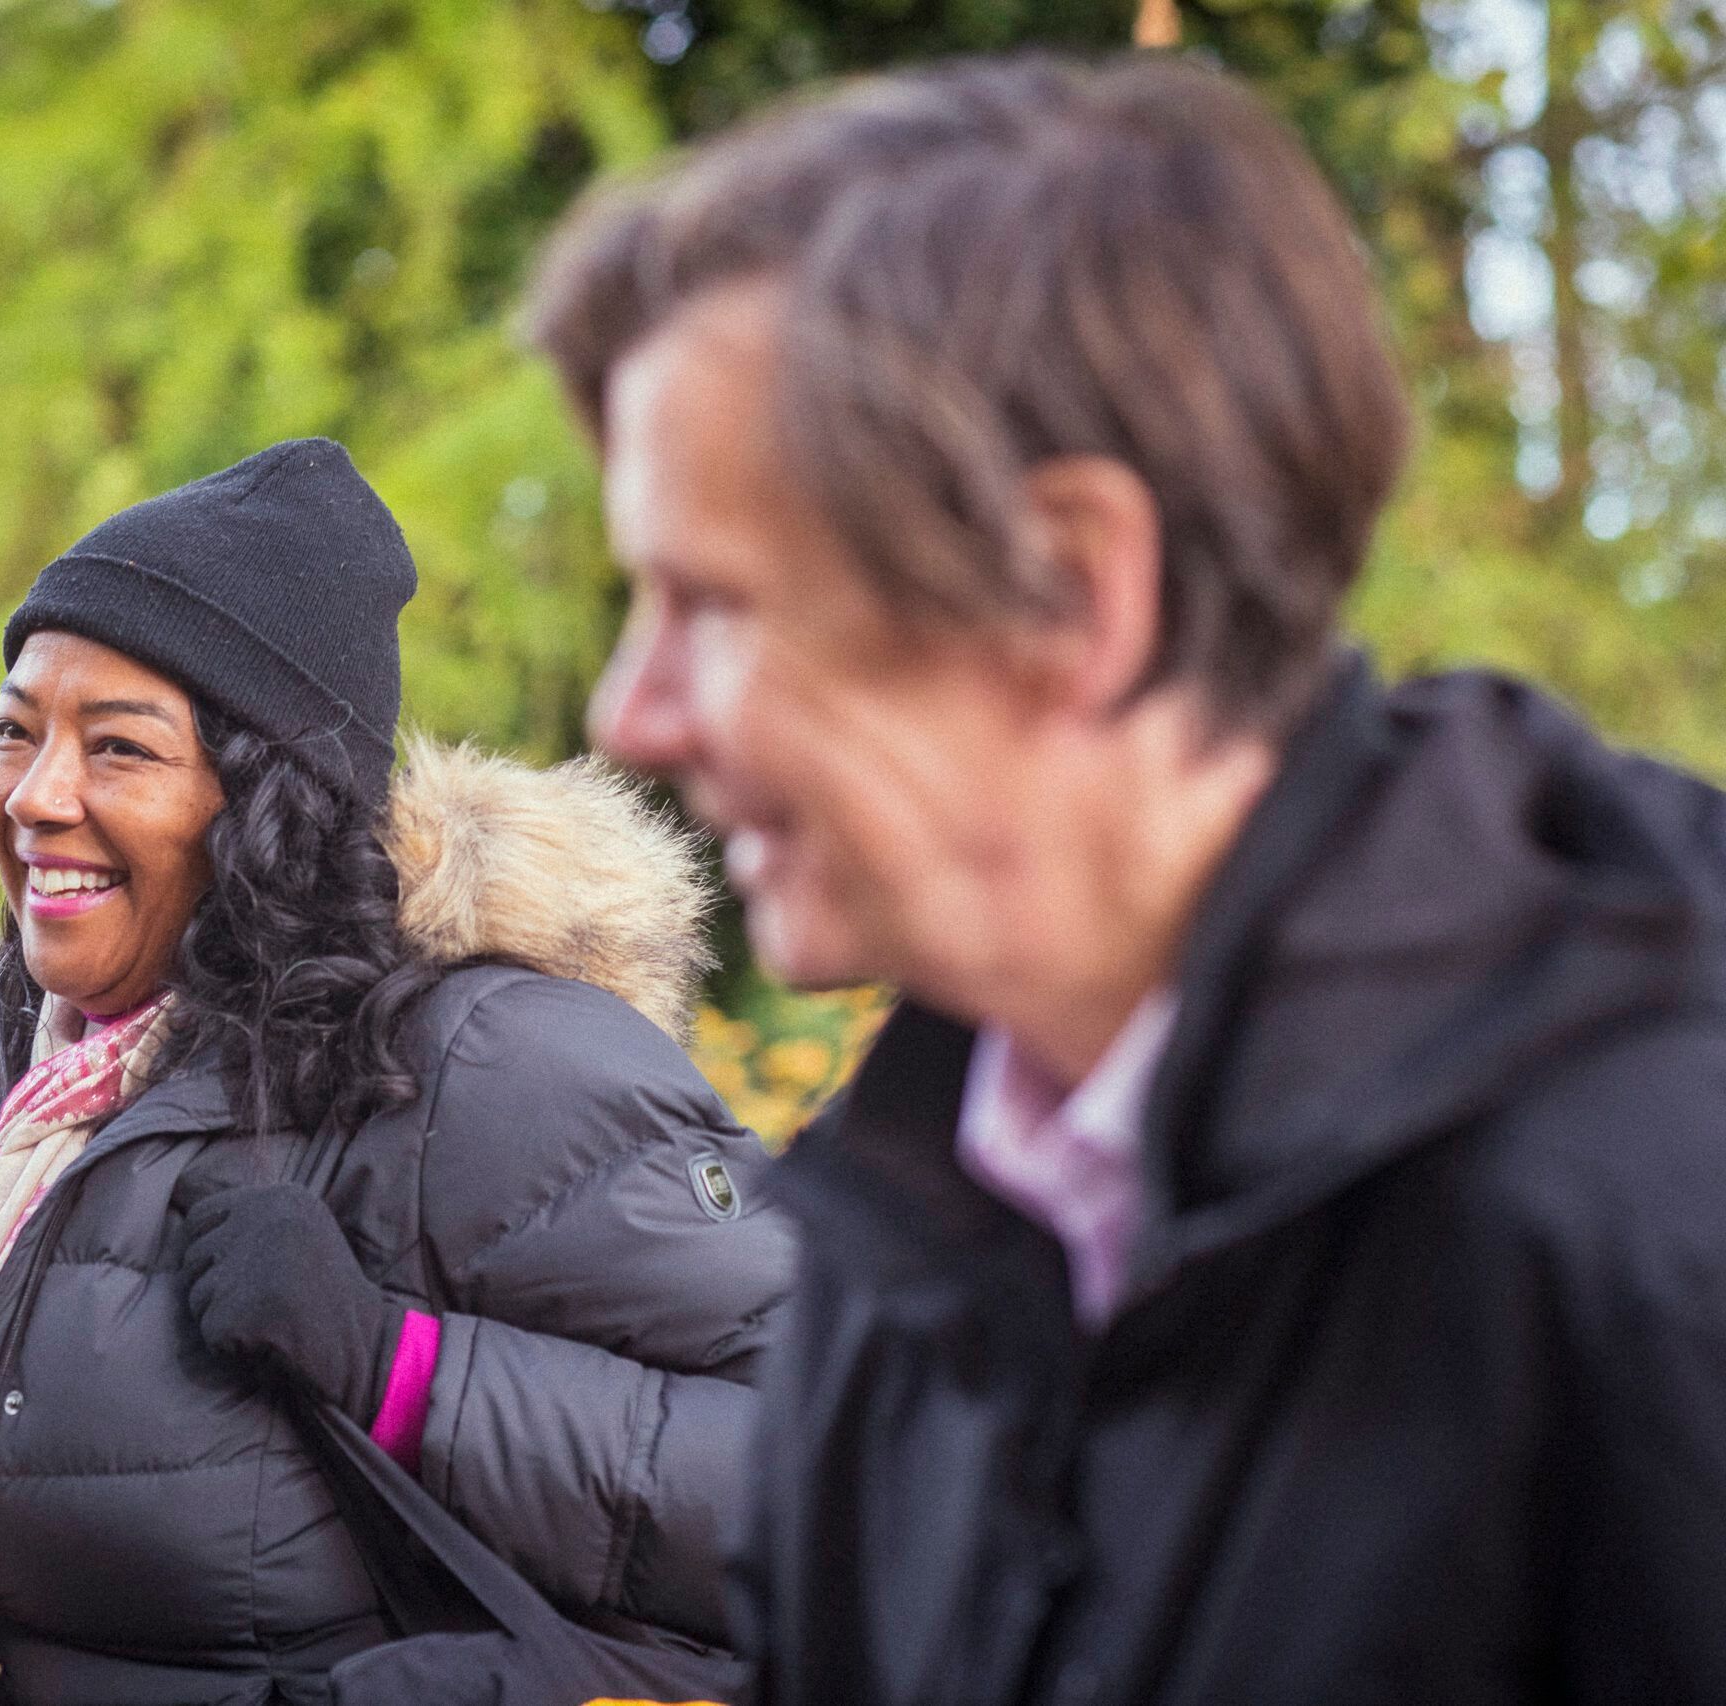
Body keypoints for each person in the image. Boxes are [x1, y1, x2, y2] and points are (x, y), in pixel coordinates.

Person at [524, 51, 1726, 1706]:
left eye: (714, 603)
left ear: (1079, 591)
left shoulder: (1655, 1214)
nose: (627, 713)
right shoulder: (912, 1228)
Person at [0, 438, 789, 1706]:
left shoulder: (485, 1064)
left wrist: (401, 1372)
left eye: (117, 747)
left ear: (265, 804)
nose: (36, 794)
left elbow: (827, 1477)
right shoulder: (2, 1090)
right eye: (15, 730)